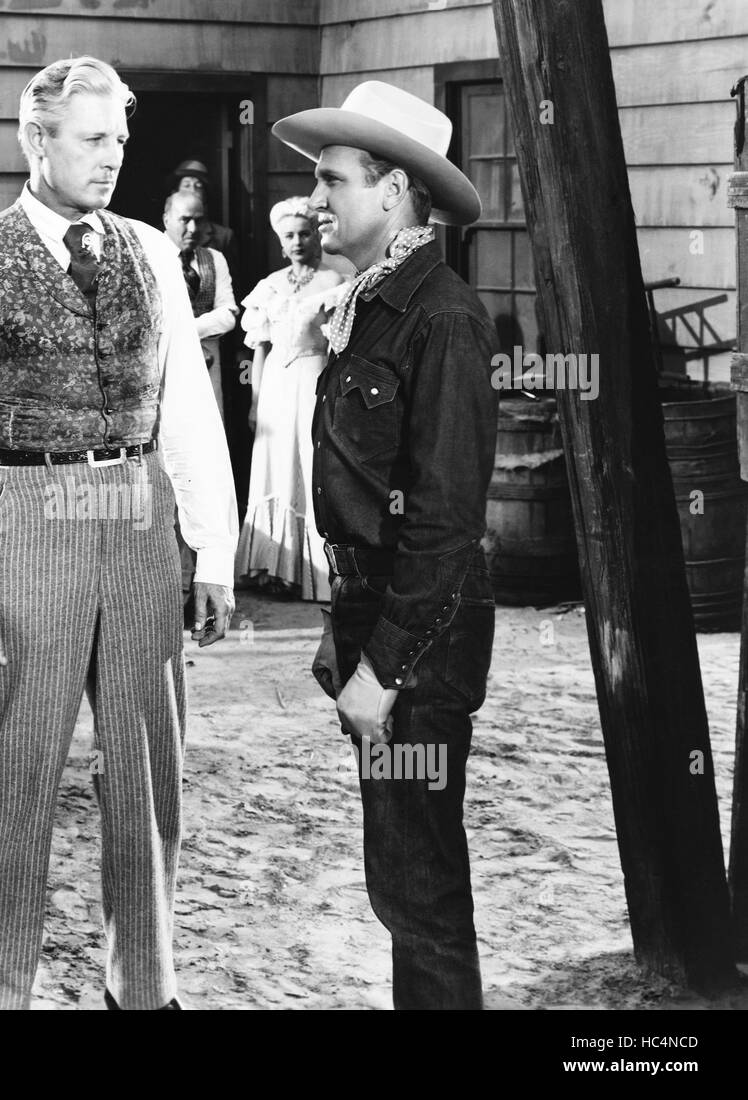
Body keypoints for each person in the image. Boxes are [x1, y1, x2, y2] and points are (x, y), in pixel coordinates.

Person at [0, 55, 237, 1011]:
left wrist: (211, 552)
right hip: (29, 522)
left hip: (138, 520)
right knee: (14, 776)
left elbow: (188, 413)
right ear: (35, 140)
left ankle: (146, 989)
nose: (111, 158)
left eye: (120, 140)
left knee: (147, 773)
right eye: (92, 139)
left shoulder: (151, 253)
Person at [276, 81, 499, 1008]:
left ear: (396, 190)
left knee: (420, 884)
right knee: (401, 877)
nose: (316, 201)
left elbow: (445, 525)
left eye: (333, 182)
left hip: (421, 640)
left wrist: (385, 670)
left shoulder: (441, 318)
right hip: (379, 617)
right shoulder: (371, 304)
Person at [234, 197, 346, 601]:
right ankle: (272, 568)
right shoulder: (270, 286)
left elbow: (339, 350)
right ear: (280, 243)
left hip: (314, 381)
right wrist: (254, 402)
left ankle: (312, 571)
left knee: (310, 467)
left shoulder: (334, 282)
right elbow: (259, 349)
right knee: (274, 468)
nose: (298, 241)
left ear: (317, 235)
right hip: (276, 389)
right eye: (289, 236)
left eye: (304, 233)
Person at [162, 190, 237, 417]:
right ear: (166, 219)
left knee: (208, 423)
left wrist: (185, 330)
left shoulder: (214, 258)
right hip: (166, 360)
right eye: (185, 220)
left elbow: (228, 314)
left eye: (199, 220)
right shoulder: (151, 257)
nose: (193, 229)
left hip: (209, 363)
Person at [171, 158, 237, 271]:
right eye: (186, 185)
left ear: (205, 195)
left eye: (198, 186)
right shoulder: (159, 233)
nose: (192, 190)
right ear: (175, 193)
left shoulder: (223, 237)